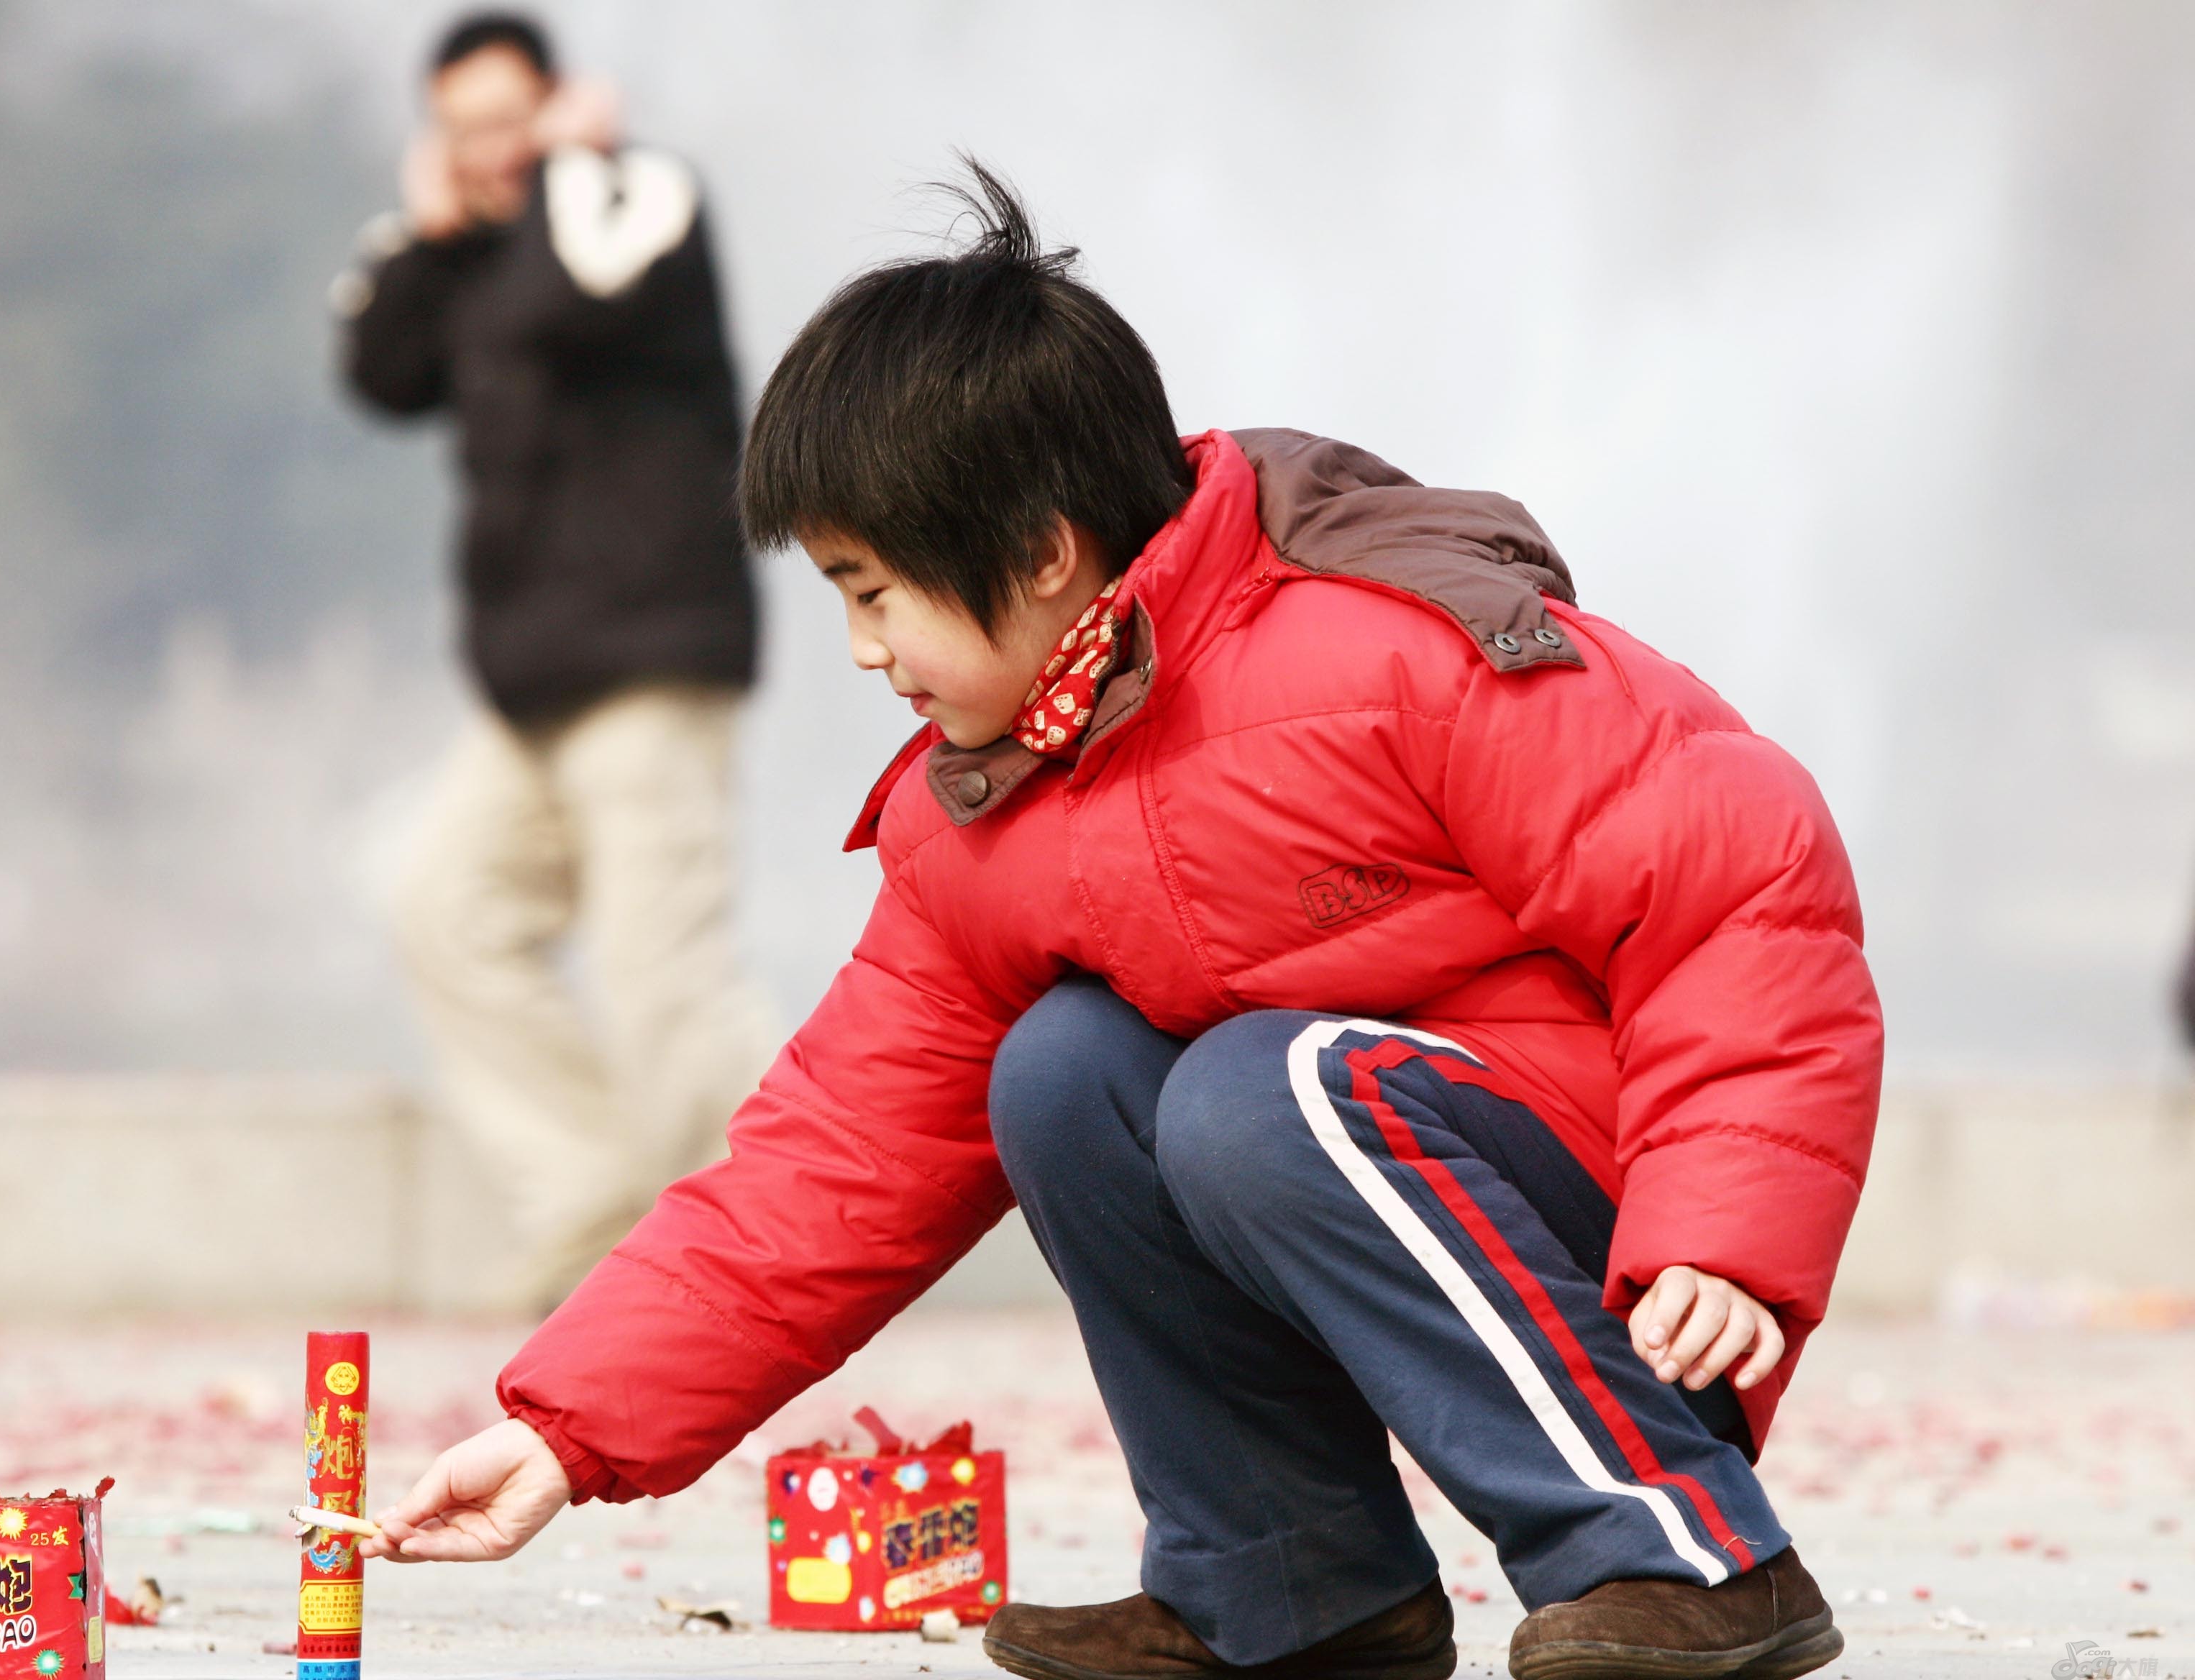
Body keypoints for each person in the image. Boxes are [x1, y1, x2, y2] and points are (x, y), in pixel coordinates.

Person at [362, 166, 1883, 1680]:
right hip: (1358, 1161)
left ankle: (1681, 1558)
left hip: (1622, 1234)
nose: (861, 648)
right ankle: (1291, 1588)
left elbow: (1741, 881)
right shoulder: (986, 812)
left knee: (1251, 1091)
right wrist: (563, 1432)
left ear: (1038, 550)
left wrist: (1727, 1236)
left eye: (876, 590)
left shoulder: (1385, 653)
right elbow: (836, 1157)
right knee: (1061, 1067)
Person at [333, 12, 776, 1311]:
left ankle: (768, 1244)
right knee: (444, 904)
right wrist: (427, 232)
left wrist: (571, 162)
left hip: (651, 658)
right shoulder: (464, 259)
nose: (488, 154)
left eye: (507, 122)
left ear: (564, 106)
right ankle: (593, 1201)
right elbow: (377, 367)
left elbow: (574, 289)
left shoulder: (639, 196)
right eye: (459, 130)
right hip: (529, 687)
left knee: (664, 978)